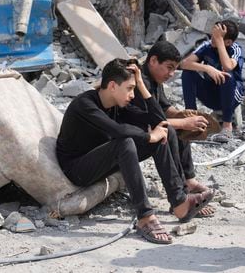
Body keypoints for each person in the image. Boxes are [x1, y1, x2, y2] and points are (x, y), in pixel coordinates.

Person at [56, 58, 214, 244]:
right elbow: (117, 130)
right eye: (130, 88)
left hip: (102, 160)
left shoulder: (117, 105)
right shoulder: (85, 104)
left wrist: (140, 84)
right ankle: (145, 217)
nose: (133, 94)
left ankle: (179, 202)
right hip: (78, 169)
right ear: (113, 86)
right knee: (126, 143)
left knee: (166, 132)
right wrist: (148, 137)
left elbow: (159, 120)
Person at [130, 41, 215, 217]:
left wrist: (183, 115)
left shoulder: (155, 78)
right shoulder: (140, 83)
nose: (171, 74)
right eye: (169, 67)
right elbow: (150, 123)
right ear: (153, 61)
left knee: (182, 126)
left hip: (142, 132)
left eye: (174, 69)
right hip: (129, 141)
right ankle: (180, 198)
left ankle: (188, 183)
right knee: (170, 132)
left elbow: (164, 108)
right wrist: (182, 123)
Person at [181, 20, 245, 142]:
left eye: (216, 37)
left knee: (227, 75)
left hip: (232, 96)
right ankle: (192, 119)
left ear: (228, 42)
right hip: (211, 95)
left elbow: (228, 67)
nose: (212, 39)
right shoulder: (207, 46)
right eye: (213, 35)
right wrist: (207, 68)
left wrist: (220, 41)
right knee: (188, 73)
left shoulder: (235, 49)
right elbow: (184, 64)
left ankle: (227, 127)